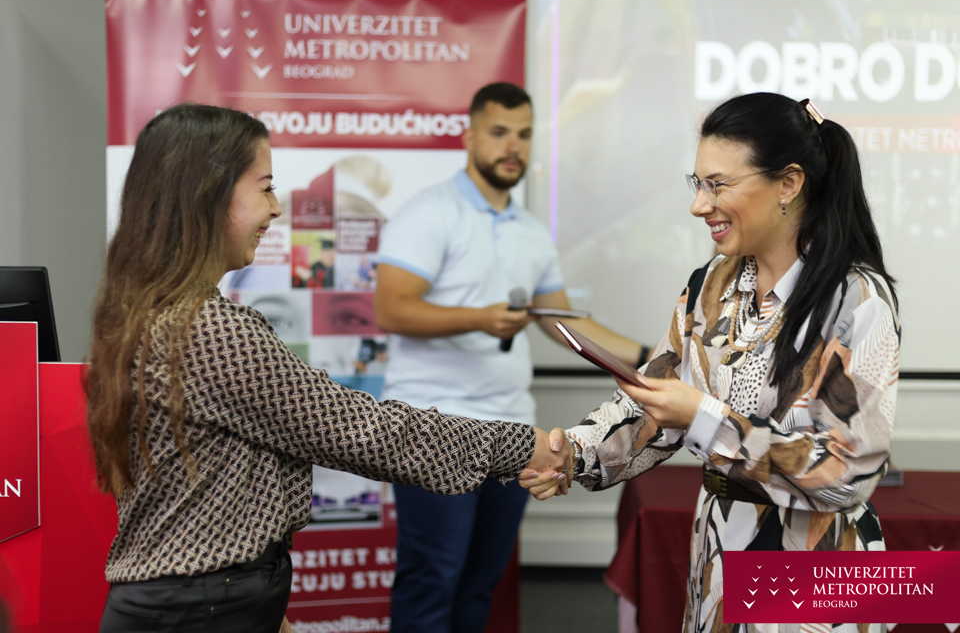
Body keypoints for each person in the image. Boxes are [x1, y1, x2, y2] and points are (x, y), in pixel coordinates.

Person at [83, 103, 571, 633]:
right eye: (266, 188)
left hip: (205, 602)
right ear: (208, 193)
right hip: (197, 610)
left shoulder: (147, 312)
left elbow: (206, 483)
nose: (276, 208)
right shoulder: (209, 329)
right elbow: (362, 431)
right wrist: (521, 446)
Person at [522, 92, 900, 633]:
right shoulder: (712, 284)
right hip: (720, 551)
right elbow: (652, 400)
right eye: (697, 184)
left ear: (789, 184)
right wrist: (571, 453)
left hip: (817, 569)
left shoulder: (856, 300)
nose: (699, 206)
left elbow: (845, 476)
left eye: (718, 185)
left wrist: (703, 417)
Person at [374, 82, 647, 633]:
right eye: (499, 133)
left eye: (523, 135)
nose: (512, 147)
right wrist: (478, 317)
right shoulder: (430, 212)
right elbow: (392, 309)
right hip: (433, 428)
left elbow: (559, 319)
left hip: (510, 431)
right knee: (432, 581)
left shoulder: (529, 231)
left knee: (480, 585)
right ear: (470, 137)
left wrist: (650, 358)